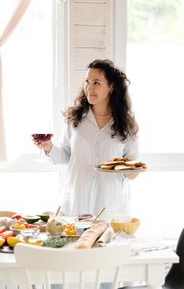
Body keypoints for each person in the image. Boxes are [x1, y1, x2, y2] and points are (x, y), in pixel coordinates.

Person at [33, 59, 140, 221]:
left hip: (110, 205)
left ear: (111, 87)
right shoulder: (75, 120)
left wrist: (131, 172)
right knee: (75, 244)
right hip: (77, 202)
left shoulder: (127, 124)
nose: (89, 87)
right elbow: (65, 155)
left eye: (96, 82)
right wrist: (48, 147)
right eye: (87, 82)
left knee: (107, 244)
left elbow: (133, 162)